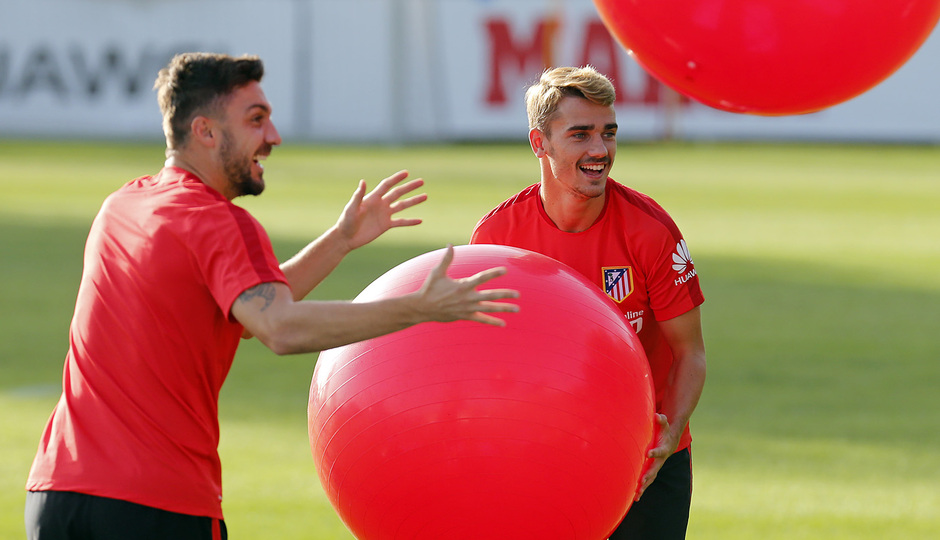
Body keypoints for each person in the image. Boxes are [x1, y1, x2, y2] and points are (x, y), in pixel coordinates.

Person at [24, 52, 519, 540]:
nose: (273, 137)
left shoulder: (125, 205)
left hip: (57, 493)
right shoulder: (218, 220)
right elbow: (279, 327)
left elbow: (244, 308)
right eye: (256, 120)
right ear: (206, 131)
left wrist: (341, 239)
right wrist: (419, 307)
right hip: (154, 504)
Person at [470, 66, 706, 539]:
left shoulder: (649, 231)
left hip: (643, 465)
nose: (600, 151)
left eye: (609, 134)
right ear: (540, 143)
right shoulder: (497, 239)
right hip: (542, 458)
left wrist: (666, 436)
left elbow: (690, 353)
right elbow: (485, 363)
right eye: (581, 135)